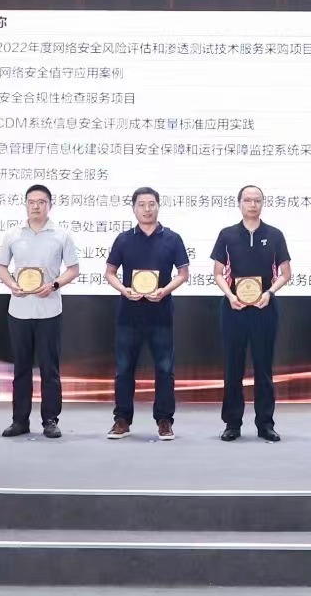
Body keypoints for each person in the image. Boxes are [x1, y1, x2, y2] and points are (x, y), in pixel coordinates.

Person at [104, 187, 189, 441]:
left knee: (164, 369)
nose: (147, 209)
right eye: (141, 205)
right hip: (128, 314)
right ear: (134, 208)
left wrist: (164, 291)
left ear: (158, 206)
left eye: (151, 204)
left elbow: (183, 274)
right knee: (124, 369)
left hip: (161, 313)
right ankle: (122, 420)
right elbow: (110, 272)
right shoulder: (123, 239)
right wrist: (123, 290)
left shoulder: (172, 238)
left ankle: (164, 420)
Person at [0, 183, 80, 439]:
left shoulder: (61, 235)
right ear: (25, 204)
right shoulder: (12, 235)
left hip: (49, 310)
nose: (36, 206)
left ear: (49, 205)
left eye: (41, 202)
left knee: (49, 370)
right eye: (31, 202)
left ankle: (50, 420)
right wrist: (11, 284)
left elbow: (73, 269)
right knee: (21, 369)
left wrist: (54, 285)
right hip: (19, 310)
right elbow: (1, 266)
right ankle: (19, 420)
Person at [211, 185, 292, 442]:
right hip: (233, 308)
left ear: (262, 203)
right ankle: (232, 424)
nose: (253, 204)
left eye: (257, 200)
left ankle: (265, 424)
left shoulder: (275, 235)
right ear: (239, 203)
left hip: (264, 308)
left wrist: (269, 293)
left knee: (263, 367)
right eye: (247, 200)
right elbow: (218, 273)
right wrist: (230, 295)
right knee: (232, 367)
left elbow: (286, 273)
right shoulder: (227, 235)